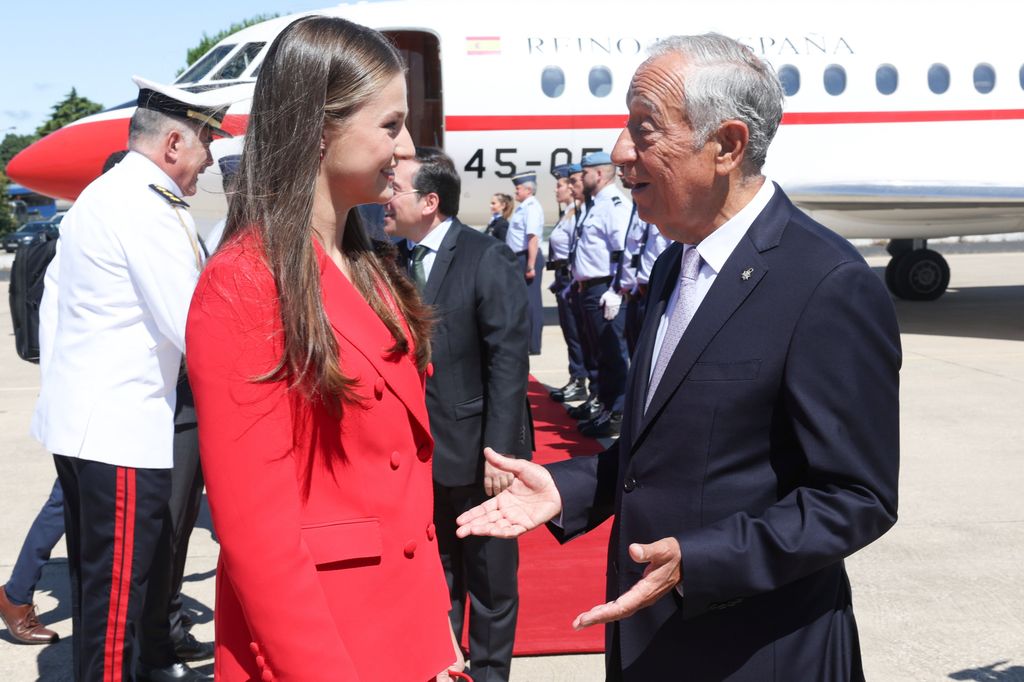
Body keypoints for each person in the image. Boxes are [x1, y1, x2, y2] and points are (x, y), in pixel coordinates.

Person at [456, 33, 901, 681]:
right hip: (653, 645)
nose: (619, 152)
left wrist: (704, 558)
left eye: (645, 129)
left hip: (755, 653)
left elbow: (855, 497)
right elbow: (666, 448)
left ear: (726, 146)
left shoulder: (824, 284)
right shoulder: (674, 263)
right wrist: (569, 485)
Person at [185, 16, 462, 682]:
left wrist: (439, 637)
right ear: (318, 127)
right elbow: (259, 539)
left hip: (405, 633)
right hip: (322, 648)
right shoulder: (244, 285)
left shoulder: (364, 264)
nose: (408, 147)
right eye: (390, 125)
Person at [29, 75, 233, 681]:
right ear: (174, 144)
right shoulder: (145, 206)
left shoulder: (105, 194)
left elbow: (52, 309)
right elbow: (195, 327)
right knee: (118, 608)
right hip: (122, 434)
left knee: (101, 597)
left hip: (86, 425)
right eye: (205, 146)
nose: (207, 165)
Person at [385, 147, 532, 681]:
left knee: (490, 581)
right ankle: (442, 668)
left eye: (394, 188)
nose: (385, 196)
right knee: (436, 574)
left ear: (429, 201)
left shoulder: (483, 256)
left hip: (480, 456)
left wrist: (501, 452)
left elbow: (509, 359)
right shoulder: (392, 259)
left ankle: (491, 675)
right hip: (422, 454)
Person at [571, 152, 632, 439]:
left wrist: (615, 289)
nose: (581, 178)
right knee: (600, 353)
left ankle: (617, 411)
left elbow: (622, 251)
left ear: (599, 174)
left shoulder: (614, 205)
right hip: (590, 288)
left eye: (585, 173)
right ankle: (606, 408)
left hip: (604, 287)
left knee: (612, 353)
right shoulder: (597, 205)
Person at [546, 164, 587, 403]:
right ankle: (576, 377)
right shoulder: (569, 212)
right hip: (563, 277)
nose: (557, 189)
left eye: (561, 184)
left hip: (571, 276)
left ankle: (580, 379)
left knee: (576, 332)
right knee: (570, 331)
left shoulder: (579, 212)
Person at [505, 172, 545, 355]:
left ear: (528, 190)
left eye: (518, 188)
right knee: (524, 301)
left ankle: (533, 344)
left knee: (531, 302)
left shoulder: (532, 207)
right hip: (520, 257)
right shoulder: (524, 207)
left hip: (527, 257)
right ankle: (527, 340)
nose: (516, 191)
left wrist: (530, 264)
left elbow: (532, 238)